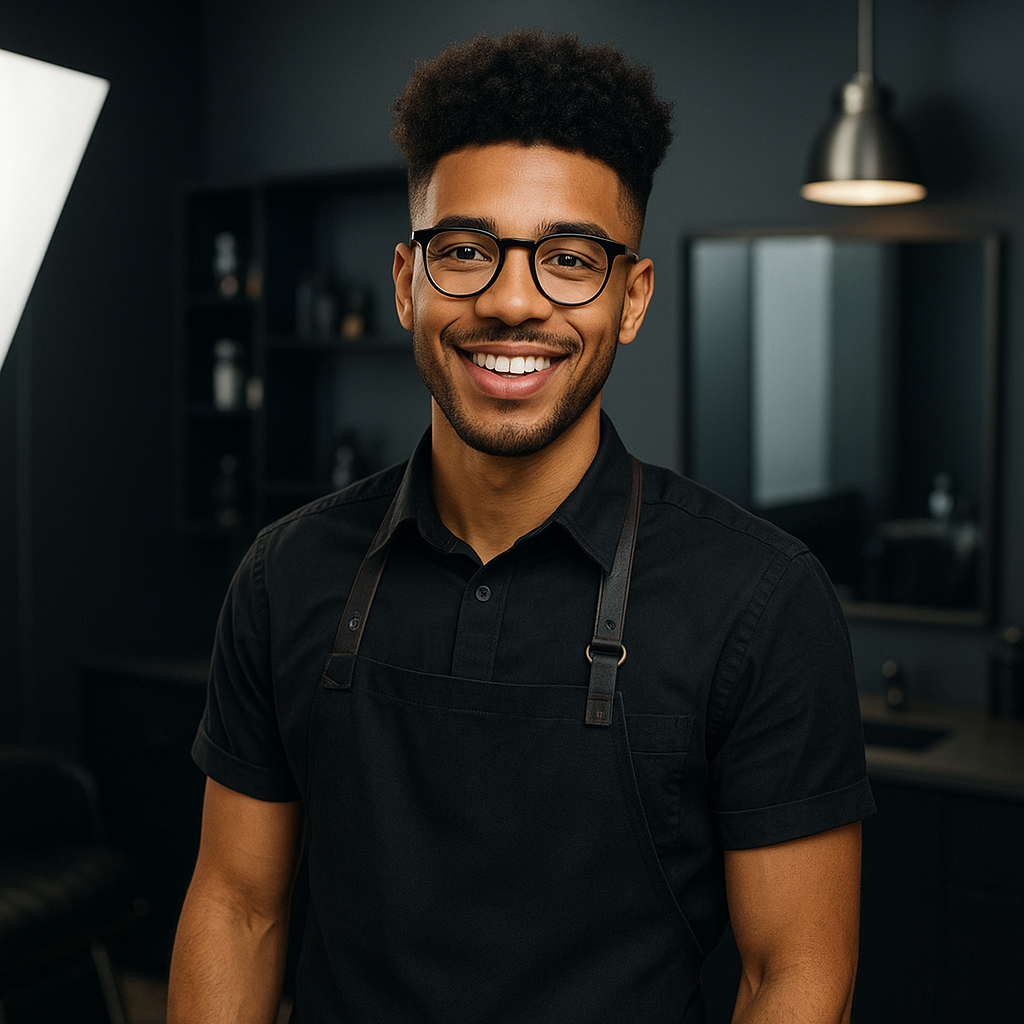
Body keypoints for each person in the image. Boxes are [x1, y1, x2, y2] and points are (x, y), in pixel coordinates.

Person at [167, 29, 874, 1024]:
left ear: (629, 301)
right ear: (408, 281)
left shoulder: (758, 601)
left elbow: (793, 977)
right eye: (464, 251)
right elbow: (238, 907)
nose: (511, 300)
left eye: (569, 259)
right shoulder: (285, 573)